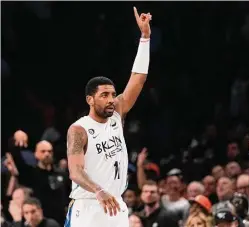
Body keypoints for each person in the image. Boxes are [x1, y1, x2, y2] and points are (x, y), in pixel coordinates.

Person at [64, 7, 152, 227]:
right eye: (104, 95)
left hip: (116, 203)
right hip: (88, 203)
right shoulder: (79, 129)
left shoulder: (117, 114)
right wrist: (98, 190)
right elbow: (75, 171)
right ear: (90, 100)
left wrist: (145, 38)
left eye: (113, 94)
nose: (111, 99)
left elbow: (138, 79)